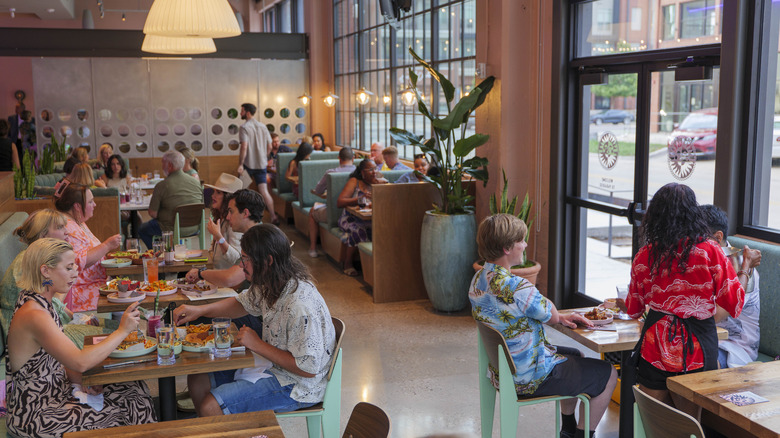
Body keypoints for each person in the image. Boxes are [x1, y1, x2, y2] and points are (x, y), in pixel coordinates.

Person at [470, 214, 617, 438]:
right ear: (507, 248)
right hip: (529, 377)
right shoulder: (516, 286)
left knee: (576, 354)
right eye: (521, 240)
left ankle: (567, 429)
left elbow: (546, 313)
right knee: (607, 373)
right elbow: (550, 312)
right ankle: (582, 435)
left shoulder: (478, 279)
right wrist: (548, 304)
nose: (525, 245)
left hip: (504, 370)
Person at [173, 225, 336, 417]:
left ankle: (222, 425)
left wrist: (257, 344)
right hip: (273, 367)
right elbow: (242, 303)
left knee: (211, 406)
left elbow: (307, 369)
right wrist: (199, 310)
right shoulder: (272, 282)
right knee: (199, 377)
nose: (242, 265)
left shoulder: (300, 305)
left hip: (297, 385)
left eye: (246, 259)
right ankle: (223, 431)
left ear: (268, 261)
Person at [624, 183, 760, 412]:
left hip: (655, 347)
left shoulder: (645, 255)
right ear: (693, 214)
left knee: (657, 424)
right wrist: (745, 267)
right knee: (690, 425)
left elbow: (633, 309)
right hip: (698, 348)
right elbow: (734, 303)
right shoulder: (710, 252)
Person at [5, 238, 156, 437]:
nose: (76, 272)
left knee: (134, 389)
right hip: (36, 413)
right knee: (126, 411)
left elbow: (59, 359)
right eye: (68, 267)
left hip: (56, 393)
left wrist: (82, 382)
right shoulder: (34, 314)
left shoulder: (37, 301)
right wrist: (122, 331)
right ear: (45, 271)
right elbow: (80, 362)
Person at [0, 209, 118, 351]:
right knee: (116, 336)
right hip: (28, 339)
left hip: (48, 325)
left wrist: (77, 317)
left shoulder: (42, 257)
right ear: (44, 234)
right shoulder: (27, 262)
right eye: (60, 227)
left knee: (115, 327)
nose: (66, 232)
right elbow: (39, 306)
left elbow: (50, 301)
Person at [700, 204, 762, 368]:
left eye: (699, 239)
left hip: (734, 347)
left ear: (718, 237)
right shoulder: (704, 261)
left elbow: (716, 315)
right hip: (706, 338)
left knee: (695, 361)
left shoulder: (740, 265)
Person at [54, 184, 122, 312]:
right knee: (122, 296)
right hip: (81, 290)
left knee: (126, 290)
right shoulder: (68, 227)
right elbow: (77, 262)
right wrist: (107, 245)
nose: (94, 204)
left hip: (95, 283)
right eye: (90, 201)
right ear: (77, 206)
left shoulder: (78, 221)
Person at [184, 189, 265, 287]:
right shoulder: (253, 235)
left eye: (231, 211)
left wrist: (201, 273)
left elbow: (230, 278)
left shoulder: (258, 240)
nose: (228, 217)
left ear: (245, 213)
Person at [138, 150, 203, 249]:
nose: (162, 166)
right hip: (195, 227)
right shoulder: (196, 182)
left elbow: (152, 213)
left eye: (163, 163)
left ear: (170, 166)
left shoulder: (162, 185)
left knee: (143, 229)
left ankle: (159, 254)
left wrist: (164, 213)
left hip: (171, 228)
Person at [337, 159, 387, 276]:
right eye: (370, 170)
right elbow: (340, 202)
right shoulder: (355, 181)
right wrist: (360, 198)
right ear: (362, 172)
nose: (374, 172)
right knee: (359, 230)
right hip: (350, 218)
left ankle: (378, 265)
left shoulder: (378, 182)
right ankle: (348, 263)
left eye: (375, 168)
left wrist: (381, 188)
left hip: (370, 218)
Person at [307, 147, 355, 258]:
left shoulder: (331, 173)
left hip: (334, 213)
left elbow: (318, 191)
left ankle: (313, 248)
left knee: (312, 212)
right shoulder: (359, 173)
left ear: (339, 158)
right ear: (353, 158)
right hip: (352, 214)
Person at [237, 103, 279, 225]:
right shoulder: (263, 126)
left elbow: (244, 147)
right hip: (261, 165)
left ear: (247, 112)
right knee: (264, 191)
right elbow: (270, 146)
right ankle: (273, 216)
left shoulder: (244, 127)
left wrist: (240, 164)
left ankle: (245, 219)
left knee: (243, 191)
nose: (240, 113)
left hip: (248, 165)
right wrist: (264, 158)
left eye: (242, 111)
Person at [203, 173, 244, 270]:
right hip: (217, 272)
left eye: (218, 193)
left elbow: (237, 259)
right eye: (214, 192)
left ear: (228, 198)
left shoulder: (234, 223)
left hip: (227, 279)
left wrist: (218, 236)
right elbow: (215, 252)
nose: (213, 196)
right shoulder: (220, 217)